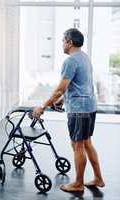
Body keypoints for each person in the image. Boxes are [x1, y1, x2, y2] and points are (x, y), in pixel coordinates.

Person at [32, 28, 105, 192]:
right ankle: (98, 178)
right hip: (89, 107)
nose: (62, 44)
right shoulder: (84, 57)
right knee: (86, 143)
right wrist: (62, 100)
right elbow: (80, 85)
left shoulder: (71, 61)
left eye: (63, 41)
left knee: (78, 144)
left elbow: (60, 88)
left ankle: (78, 184)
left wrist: (42, 107)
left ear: (69, 42)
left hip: (79, 110)